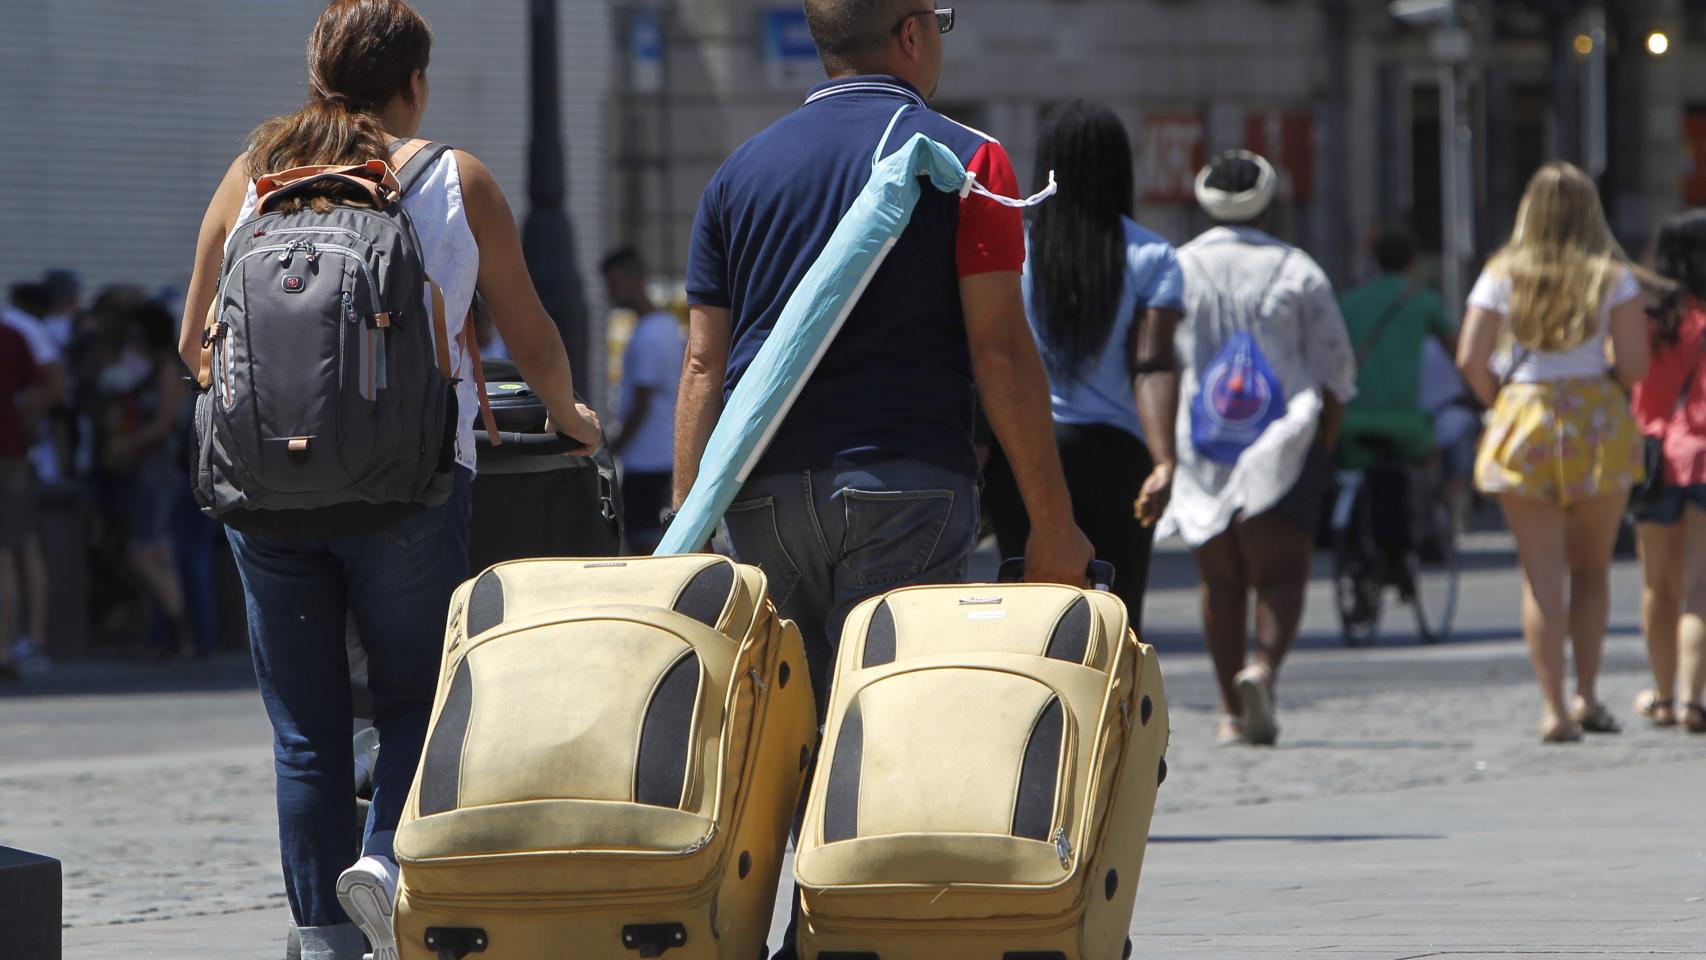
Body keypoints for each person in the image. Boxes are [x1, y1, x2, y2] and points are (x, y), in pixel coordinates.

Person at [175, 3, 601, 957]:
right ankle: (382, 859)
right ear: (414, 85)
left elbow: (193, 338)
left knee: (305, 732)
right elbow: (528, 331)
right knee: (418, 699)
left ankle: (324, 940)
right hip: (409, 489)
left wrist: (282, 424)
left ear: (318, 76)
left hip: (264, 500)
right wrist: (572, 416)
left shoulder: (255, 175)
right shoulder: (455, 177)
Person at [679, 2, 1091, 954]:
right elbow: (999, 352)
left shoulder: (739, 172)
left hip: (761, 492)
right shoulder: (967, 160)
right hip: (907, 478)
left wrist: (689, 522)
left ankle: (784, 930)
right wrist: (1053, 524)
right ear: (909, 34)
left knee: (790, 728)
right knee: (889, 729)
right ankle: (849, 935)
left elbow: (705, 365)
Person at [1160, 150, 1358, 747]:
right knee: (1281, 575)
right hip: (1284, 443)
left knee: (1219, 582)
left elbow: (1157, 360)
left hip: (1202, 444)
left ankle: (1226, 711)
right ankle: (1263, 670)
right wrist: (1326, 439)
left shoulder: (1178, 268)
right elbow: (1336, 367)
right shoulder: (1298, 270)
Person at [1456, 161, 1648, 744]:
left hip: (1525, 414)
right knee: (1591, 570)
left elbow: (1470, 357)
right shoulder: (1612, 277)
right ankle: (1589, 694)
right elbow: (1635, 365)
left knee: (1541, 578)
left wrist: (1503, 401)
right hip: (1595, 422)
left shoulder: (1501, 273)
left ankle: (1553, 708)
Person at [986, 101, 1183, 630]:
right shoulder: (1153, 255)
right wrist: (1164, 459)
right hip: (1120, 458)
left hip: (1025, 455)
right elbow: (1153, 364)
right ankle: (1114, 713)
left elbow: (988, 349)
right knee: (1120, 619)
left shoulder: (1012, 246)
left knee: (1031, 617)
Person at [1629, 209, 1706, 735]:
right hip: (1705, 454)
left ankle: (1660, 694)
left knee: (1658, 586)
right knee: (1701, 586)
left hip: (1652, 457)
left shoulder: (1649, 315)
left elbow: (1621, 369)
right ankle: (1692, 703)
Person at [94, 296, 192, 658]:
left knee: (142, 552)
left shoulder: (166, 368)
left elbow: (164, 424)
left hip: (157, 469)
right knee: (157, 553)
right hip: (143, 469)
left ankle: (178, 628)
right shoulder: (143, 368)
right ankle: (170, 633)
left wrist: (128, 445)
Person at [1337, 226, 1455, 469]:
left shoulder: (1348, 302)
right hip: (1406, 427)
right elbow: (1460, 353)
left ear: (1375, 260)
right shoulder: (1423, 301)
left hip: (1352, 424)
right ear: (1413, 262)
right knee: (1435, 460)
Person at [602, 246, 685, 553]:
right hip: (662, 455)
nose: (611, 293)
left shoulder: (649, 335)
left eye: (613, 284)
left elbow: (642, 402)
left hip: (645, 461)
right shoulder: (666, 327)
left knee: (642, 547)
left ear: (634, 280)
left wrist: (614, 448)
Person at [0, 321, 44, 682]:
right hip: (11, 456)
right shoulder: (12, 336)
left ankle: (6, 647)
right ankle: (17, 644)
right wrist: (25, 434)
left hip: (11, 456)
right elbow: (38, 392)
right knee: (13, 553)